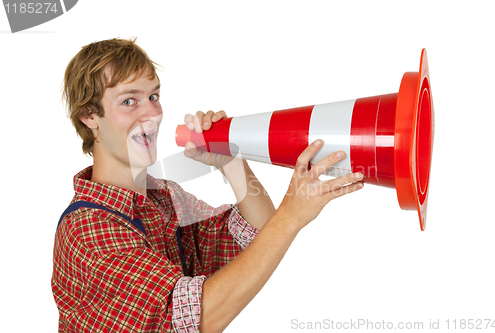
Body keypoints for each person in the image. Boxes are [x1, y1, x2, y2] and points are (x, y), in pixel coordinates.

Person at [52, 37, 364, 333]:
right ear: (89, 116)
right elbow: (196, 317)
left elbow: (255, 234)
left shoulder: (164, 197)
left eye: (153, 96)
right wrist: (291, 216)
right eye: (129, 101)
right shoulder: (89, 229)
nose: (152, 114)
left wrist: (230, 161)